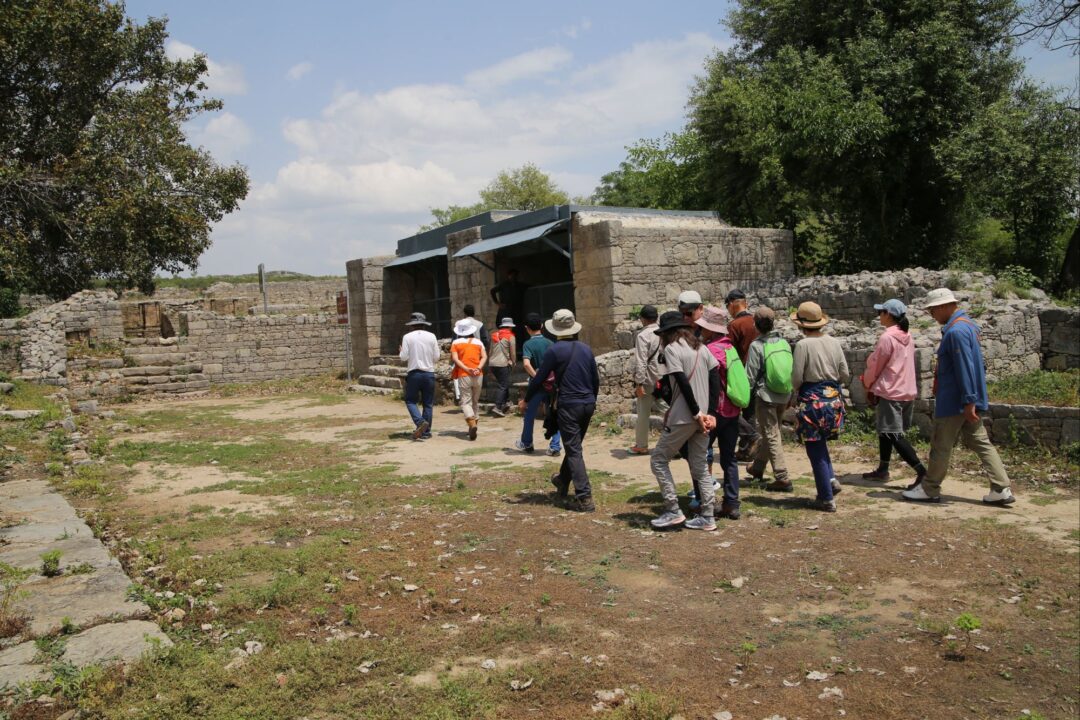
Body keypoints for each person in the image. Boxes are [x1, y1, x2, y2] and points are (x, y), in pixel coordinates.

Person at [902, 288, 1015, 505]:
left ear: (945, 306)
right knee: (980, 441)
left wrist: (968, 400)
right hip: (965, 399)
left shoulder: (956, 332)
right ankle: (1001, 487)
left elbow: (965, 367)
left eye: (933, 310)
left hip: (956, 401)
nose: (932, 314)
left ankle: (930, 488)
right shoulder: (968, 326)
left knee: (941, 444)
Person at [523, 309, 600, 513]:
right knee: (574, 445)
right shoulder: (586, 349)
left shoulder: (555, 351)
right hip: (587, 403)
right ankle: (562, 481)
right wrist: (592, 400)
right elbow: (595, 379)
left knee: (574, 449)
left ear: (555, 329)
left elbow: (539, 378)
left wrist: (526, 399)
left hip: (569, 404)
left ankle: (584, 497)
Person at [649, 311, 720, 531]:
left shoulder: (671, 349)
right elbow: (715, 375)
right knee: (700, 465)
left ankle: (672, 509)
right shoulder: (701, 347)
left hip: (684, 416)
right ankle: (707, 515)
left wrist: (697, 413)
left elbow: (681, 382)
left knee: (659, 459)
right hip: (704, 415)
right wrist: (710, 412)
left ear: (666, 333)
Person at [860, 298, 927, 489]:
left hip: (890, 390)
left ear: (888, 315)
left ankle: (922, 471)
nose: (879, 316)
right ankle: (883, 469)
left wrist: (867, 383)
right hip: (906, 389)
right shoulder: (908, 336)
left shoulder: (887, 338)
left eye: (881, 312)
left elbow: (876, 365)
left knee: (893, 434)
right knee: (886, 431)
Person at [790, 302, 849, 512]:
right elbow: (845, 373)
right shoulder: (833, 342)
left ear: (801, 325)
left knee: (814, 449)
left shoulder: (803, 346)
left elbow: (797, 378)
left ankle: (825, 498)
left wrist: (796, 392)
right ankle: (831, 480)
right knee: (821, 444)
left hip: (812, 403)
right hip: (833, 401)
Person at [696, 306, 743, 520]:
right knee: (729, 458)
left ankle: (705, 501)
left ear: (711, 330)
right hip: (732, 410)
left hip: (713, 411)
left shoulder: (708, 351)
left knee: (701, 455)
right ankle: (732, 503)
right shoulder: (730, 348)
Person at [745, 307, 792, 490]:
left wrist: (743, 397)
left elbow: (750, 375)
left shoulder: (757, 346)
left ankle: (782, 476)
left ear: (755, 324)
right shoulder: (784, 343)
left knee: (771, 434)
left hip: (766, 395)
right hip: (784, 394)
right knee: (770, 432)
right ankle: (757, 468)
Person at [514, 313, 561, 456]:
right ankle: (555, 446)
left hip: (536, 386)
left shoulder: (528, 344)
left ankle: (527, 443)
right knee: (553, 413)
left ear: (527, 328)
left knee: (530, 414)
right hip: (552, 385)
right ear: (541, 326)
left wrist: (538, 377)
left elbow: (527, 364)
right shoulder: (550, 343)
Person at [725, 289, 761, 460]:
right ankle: (747, 449)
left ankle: (749, 442)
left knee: (733, 411)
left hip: (743, 372)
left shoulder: (734, 326)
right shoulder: (757, 321)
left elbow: (729, 351)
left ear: (732, 305)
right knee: (750, 412)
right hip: (762, 371)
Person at [398, 312, 439, 440]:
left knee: (410, 400)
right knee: (428, 403)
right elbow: (437, 357)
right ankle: (426, 432)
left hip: (414, 373)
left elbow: (403, 357)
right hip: (429, 373)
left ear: (412, 325)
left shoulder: (407, 337)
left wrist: (401, 351)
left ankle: (420, 422)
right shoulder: (432, 336)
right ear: (424, 324)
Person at [629, 305, 662, 455]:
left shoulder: (643, 336)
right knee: (669, 410)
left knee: (643, 413)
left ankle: (641, 445)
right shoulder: (663, 332)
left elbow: (641, 361)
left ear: (642, 319)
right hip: (664, 377)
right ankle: (679, 443)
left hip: (648, 379)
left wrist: (639, 382)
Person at [451, 318, 487, 441]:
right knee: (475, 401)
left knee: (466, 401)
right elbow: (484, 357)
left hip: (464, 374)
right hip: (478, 374)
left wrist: (467, 369)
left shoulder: (455, 343)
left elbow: (456, 359)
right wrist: (478, 368)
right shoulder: (478, 342)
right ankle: (474, 425)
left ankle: (471, 423)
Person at [488, 317, 516, 416]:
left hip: (492, 363)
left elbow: (490, 351)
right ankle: (498, 407)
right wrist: (514, 362)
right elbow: (512, 352)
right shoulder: (511, 336)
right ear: (509, 327)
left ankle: (507, 401)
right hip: (502, 363)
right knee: (503, 385)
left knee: (503, 382)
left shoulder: (493, 335)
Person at [490, 269, 527, 345]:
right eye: (511, 275)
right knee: (506, 328)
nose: (513, 277)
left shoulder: (519, 285)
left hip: (516, 311)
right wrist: (498, 303)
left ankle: (518, 345)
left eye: (514, 275)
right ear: (508, 276)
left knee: (518, 328)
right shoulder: (504, 285)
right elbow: (492, 291)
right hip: (506, 311)